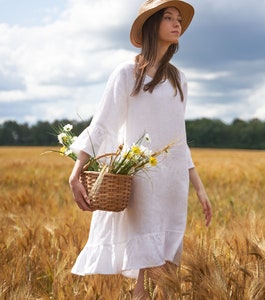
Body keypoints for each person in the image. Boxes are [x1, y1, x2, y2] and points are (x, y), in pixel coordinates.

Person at [69, 0, 212, 298]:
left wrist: (199, 186)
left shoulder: (179, 79)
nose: (177, 24)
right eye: (169, 18)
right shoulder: (126, 73)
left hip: (173, 181)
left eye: (179, 20)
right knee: (147, 260)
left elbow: (179, 138)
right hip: (143, 180)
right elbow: (103, 123)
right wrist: (76, 170)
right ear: (152, 25)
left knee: (170, 263)